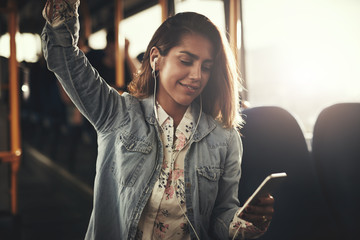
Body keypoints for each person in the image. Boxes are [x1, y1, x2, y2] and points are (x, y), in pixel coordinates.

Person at [41, 1, 275, 239]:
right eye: (186, 61)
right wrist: (64, 12)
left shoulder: (224, 139)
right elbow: (64, 58)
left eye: (206, 67)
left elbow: (221, 217)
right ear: (156, 58)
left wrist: (242, 222)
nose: (196, 76)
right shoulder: (118, 114)